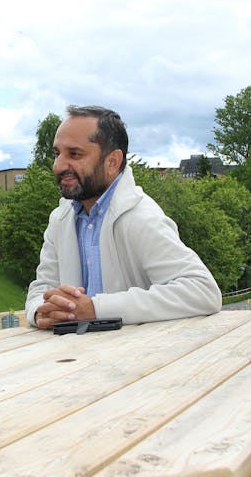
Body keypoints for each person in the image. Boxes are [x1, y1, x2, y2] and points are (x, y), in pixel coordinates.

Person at [26, 105, 222, 329]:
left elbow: (203, 291)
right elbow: (41, 289)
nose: (59, 165)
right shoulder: (60, 219)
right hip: (75, 357)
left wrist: (96, 309)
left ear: (112, 162)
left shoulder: (141, 216)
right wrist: (41, 313)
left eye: (74, 154)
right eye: (57, 153)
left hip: (143, 359)